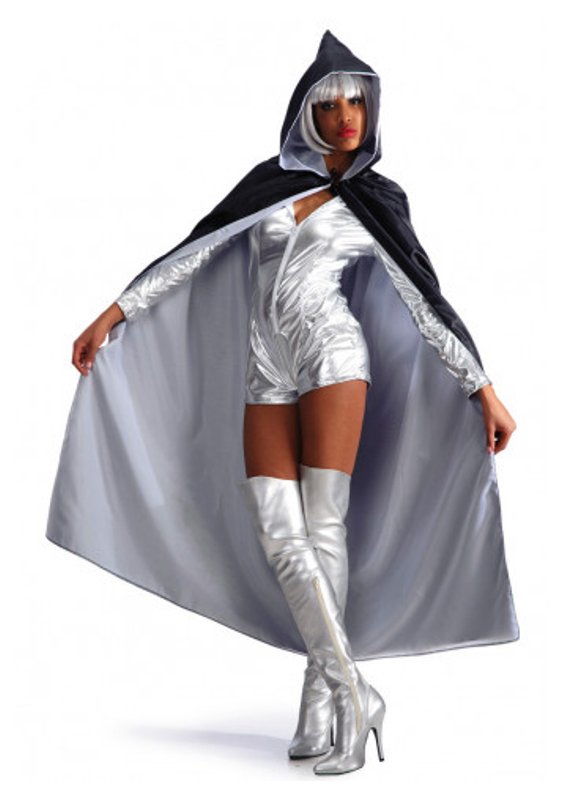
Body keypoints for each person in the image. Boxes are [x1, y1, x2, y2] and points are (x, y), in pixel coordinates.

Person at [47, 31, 520, 776]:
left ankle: (325, 704)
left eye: (357, 102)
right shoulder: (269, 183)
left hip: (335, 357)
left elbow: (424, 299)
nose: (346, 116)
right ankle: (352, 688)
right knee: (278, 530)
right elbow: (196, 249)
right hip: (265, 366)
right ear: (307, 113)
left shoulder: (378, 200)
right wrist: (115, 312)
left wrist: (480, 388)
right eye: (330, 105)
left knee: (324, 528)